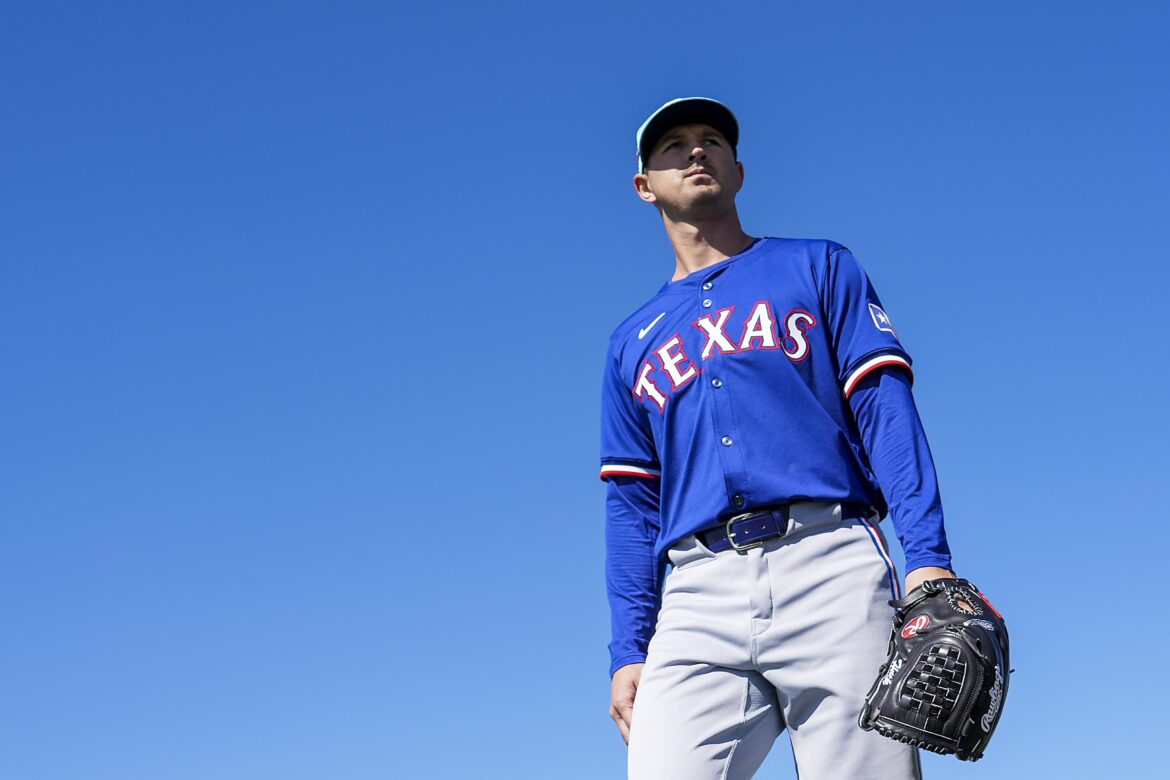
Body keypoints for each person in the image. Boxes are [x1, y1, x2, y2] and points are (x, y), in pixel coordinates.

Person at [599, 97, 956, 780]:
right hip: (696, 590)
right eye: (673, 145)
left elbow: (885, 410)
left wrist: (928, 557)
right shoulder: (629, 343)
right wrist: (628, 648)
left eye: (712, 140)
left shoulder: (818, 266)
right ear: (645, 186)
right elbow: (630, 505)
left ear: (738, 169)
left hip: (831, 561)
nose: (696, 150)